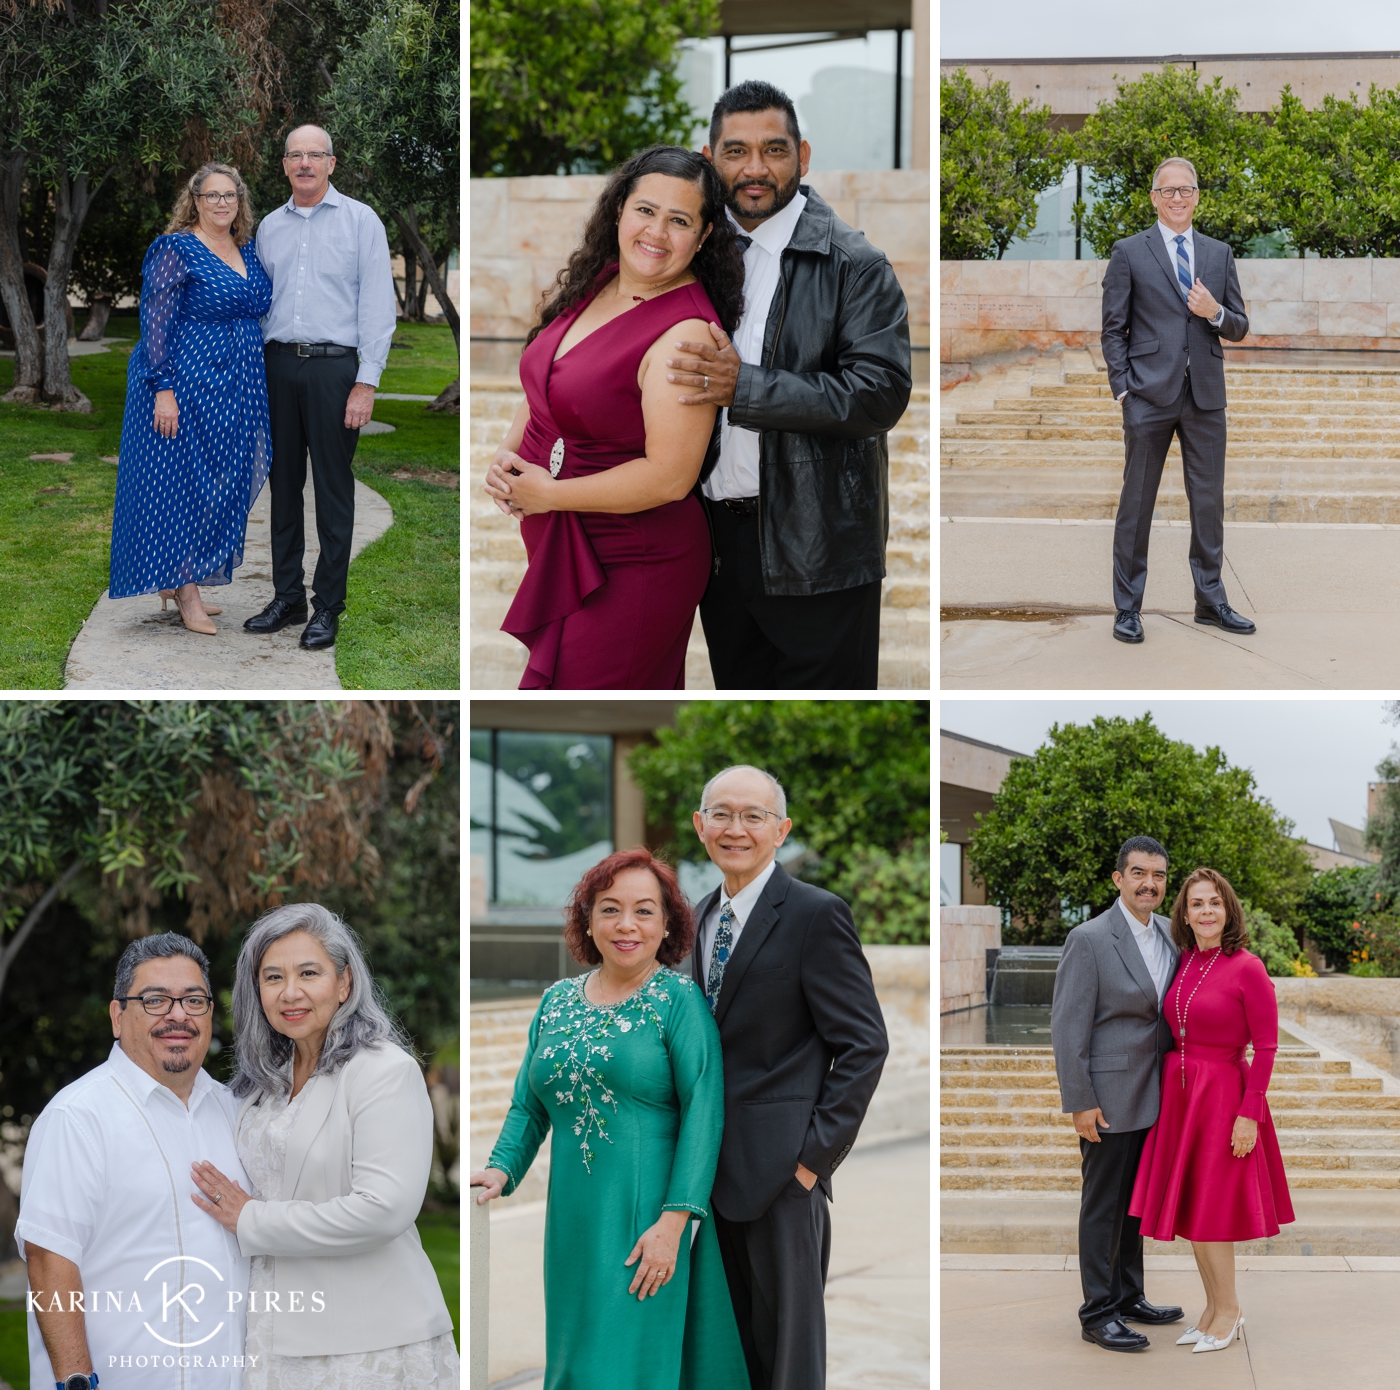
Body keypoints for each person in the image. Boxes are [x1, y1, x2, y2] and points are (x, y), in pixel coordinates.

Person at [468, 849, 749, 1390]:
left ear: (667, 925)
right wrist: (501, 1168)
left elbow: (704, 1113)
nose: (626, 924)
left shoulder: (679, 1002)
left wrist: (674, 1224)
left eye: (644, 911)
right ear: (588, 921)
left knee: (626, 1365)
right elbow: (529, 1104)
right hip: (572, 1223)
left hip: (645, 1221)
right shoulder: (555, 1001)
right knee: (575, 1361)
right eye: (610, 909)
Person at [667, 81, 912, 689]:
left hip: (820, 547)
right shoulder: (690, 258)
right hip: (717, 548)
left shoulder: (856, 264)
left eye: (773, 150)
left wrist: (745, 388)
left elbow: (880, 392)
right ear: (710, 159)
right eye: (736, 151)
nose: (755, 169)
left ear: (802, 157)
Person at [482, 146, 746, 688]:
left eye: (679, 221)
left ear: (703, 236)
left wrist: (550, 495)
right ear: (620, 209)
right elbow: (544, 384)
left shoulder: (687, 335)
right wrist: (508, 457)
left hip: (635, 559)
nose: (657, 232)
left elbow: (670, 477)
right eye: (646, 210)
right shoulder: (597, 280)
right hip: (564, 542)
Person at [187, 903, 458, 1387]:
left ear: (344, 982)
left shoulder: (383, 1071)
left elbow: (384, 1209)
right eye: (273, 977)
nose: (290, 992)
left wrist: (251, 1219)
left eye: (308, 973)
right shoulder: (262, 1084)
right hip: (270, 1326)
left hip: (364, 1341)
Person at [689, 765, 888, 1390]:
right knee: (725, 1357)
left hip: (782, 1181)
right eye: (722, 814)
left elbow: (864, 1044)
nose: (736, 828)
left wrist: (811, 1162)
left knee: (788, 1362)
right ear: (700, 826)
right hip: (702, 1182)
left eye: (754, 816)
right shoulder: (693, 919)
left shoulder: (815, 914)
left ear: (781, 830)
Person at [15, 933, 251, 1389]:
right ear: (118, 1016)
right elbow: (48, 1262)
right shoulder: (78, 1116)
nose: (178, 1015)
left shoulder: (236, 1112)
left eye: (194, 1000)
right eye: (155, 1000)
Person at [1128, 867, 1295, 1354]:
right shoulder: (1184, 961)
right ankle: (1212, 1309)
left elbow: (1266, 1048)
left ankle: (1230, 1311)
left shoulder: (1248, 967)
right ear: (1183, 913)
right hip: (1182, 1099)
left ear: (1228, 910)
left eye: (1214, 903)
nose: (1206, 911)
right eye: (1196, 903)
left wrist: (1249, 1114)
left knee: (1213, 1212)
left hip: (1223, 1097)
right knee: (1194, 1211)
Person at [245, 126, 397, 651]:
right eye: (296, 155)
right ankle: (287, 597)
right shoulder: (269, 227)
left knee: (333, 490)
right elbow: (258, 303)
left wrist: (366, 382)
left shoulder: (361, 221)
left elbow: (377, 306)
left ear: (332, 163)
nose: (305, 163)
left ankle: (327, 606)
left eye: (315, 154)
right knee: (283, 488)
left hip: (336, 371)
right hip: (277, 367)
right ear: (285, 164)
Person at [109, 163, 272, 635]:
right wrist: (163, 390)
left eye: (230, 195)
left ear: (240, 202)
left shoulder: (247, 248)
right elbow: (155, 321)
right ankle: (184, 589)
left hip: (236, 384)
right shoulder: (175, 249)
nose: (222, 203)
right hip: (185, 380)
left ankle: (182, 575)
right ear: (195, 201)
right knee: (180, 483)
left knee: (221, 482)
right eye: (212, 195)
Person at [1100, 156, 1253, 646]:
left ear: (1197, 196)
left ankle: (1210, 601)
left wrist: (1215, 311)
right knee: (1137, 503)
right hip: (1148, 395)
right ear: (1154, 198)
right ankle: (1128, 608)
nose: (1177, 198)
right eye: (1168, 191)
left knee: (1208, 504)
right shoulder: (1129, 252)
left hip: (1205, 396)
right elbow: (1113, 329)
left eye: (1185, 189)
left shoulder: (1219, 253)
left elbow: (1239, 326)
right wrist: (1124, 388)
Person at [1050, 836, 1185, 1352]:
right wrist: (1079, 1100)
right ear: (1118, 879)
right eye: (1139, 873)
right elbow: (1067, 1027)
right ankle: (1098, 1313)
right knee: (1103, 1207)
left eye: (1158, 875)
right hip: (1107, 1098)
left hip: (1157, 1095)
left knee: (1135, 1205)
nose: (1149, 884)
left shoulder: (1172, 933)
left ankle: (1130, 1297)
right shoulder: (1088, 938)